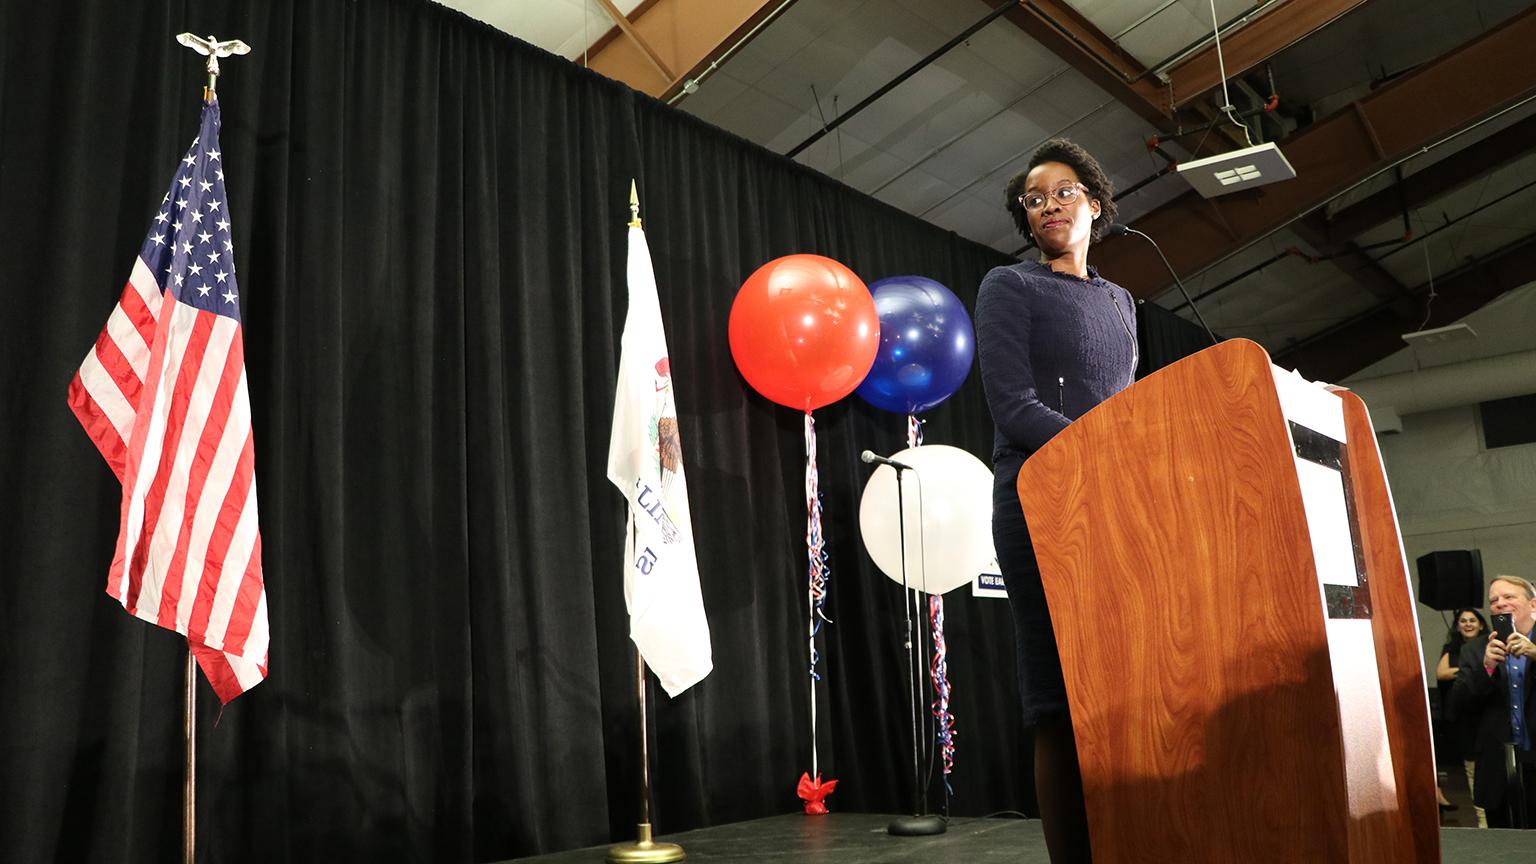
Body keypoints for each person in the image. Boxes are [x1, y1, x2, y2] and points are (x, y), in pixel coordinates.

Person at [975, 139, 1136, 864]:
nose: (1047, 206)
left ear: (1094, 204)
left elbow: (1128, 406)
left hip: (1117, 503)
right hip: (1042, 504)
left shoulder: (1120, 300)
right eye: (1033, 200)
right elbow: (1014, 406)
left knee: (1122, 691)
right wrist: (1102, 455)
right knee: (1059, 701)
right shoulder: (1010, 288)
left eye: (1063, 192)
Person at [1455, 575, 1536, 828]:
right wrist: (1487, 668)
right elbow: (1458, 706)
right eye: (1493, 600)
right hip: (1498, 769)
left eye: (1509, 597)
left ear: (1533, 604)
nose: (1499, 603)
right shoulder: (1475, 650)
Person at [1437, 608, 1489, 823]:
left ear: (1481, 624)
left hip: (1487, 715)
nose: (1468, 624)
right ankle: (1482, 818)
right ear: (1457, 626)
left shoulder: (1491, 644)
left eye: (1472, 621)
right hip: (1464, 718)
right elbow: (1441, 673)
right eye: (1463, 621)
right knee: (1472, 769)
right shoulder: (1453, 648)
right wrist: (1471, 669)